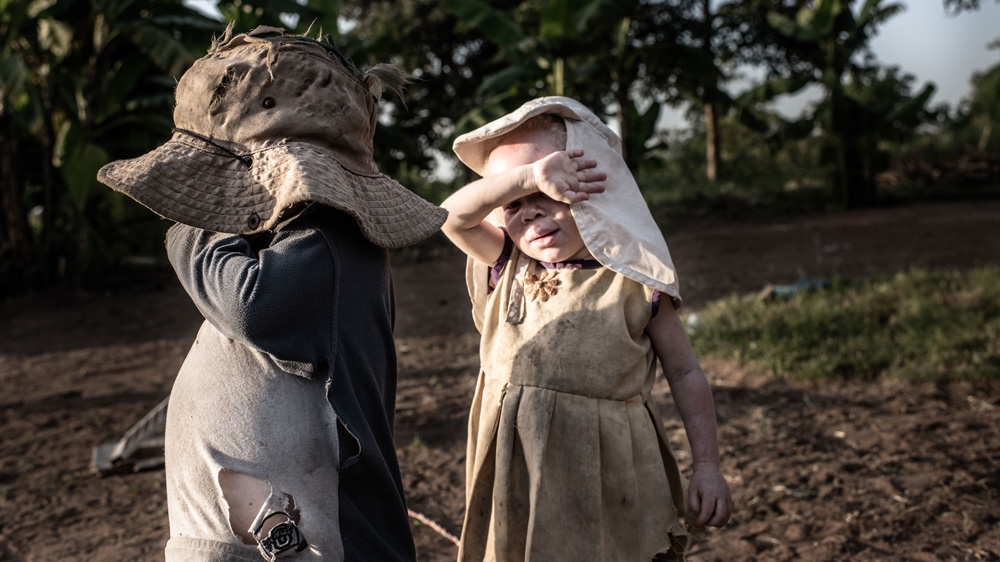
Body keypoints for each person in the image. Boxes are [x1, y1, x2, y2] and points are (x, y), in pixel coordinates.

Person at [96, 26, 446, 561]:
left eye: (216, 187)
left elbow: (253, 305)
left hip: (308, 544)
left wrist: (191, 228)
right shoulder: (295, 235)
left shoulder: (329, 240)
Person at [440, 97, 732, 561]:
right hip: (518, 473)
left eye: (550, 190)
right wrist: (529, 177)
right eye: (511, 202)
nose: (530, 212)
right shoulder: (506, 262)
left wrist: (708, 466)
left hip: (611, 472)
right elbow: (450, 217)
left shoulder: (636, 281)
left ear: (599, 187)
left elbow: (685, 374)